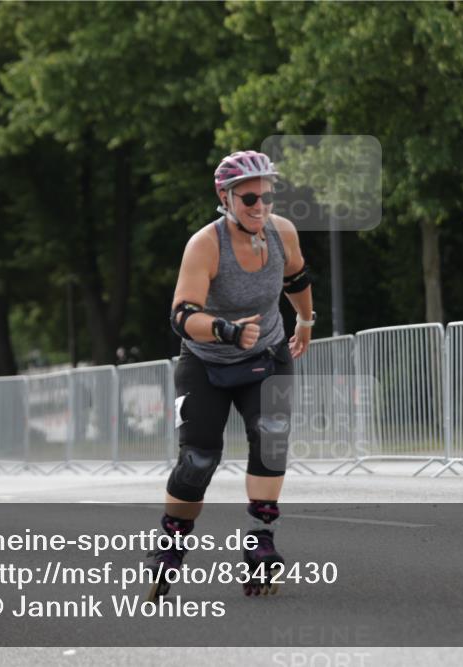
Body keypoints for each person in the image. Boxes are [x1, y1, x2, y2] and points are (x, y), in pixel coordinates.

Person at [149, 150, 314, 597]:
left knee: (272, 436)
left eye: (267, 197)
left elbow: (296, 278)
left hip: (267, 354)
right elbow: (182, 315)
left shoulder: (282, 233)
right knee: (198, 460)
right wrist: (226, 330)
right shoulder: (206, 244)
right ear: (225, 198)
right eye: (249, 199)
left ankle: (261, 540)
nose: (261, 207)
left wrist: (305, 320)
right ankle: (172, 542)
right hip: (207, 361)